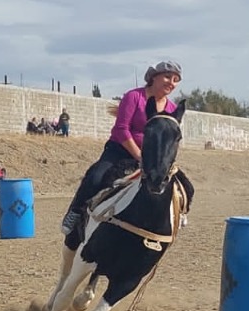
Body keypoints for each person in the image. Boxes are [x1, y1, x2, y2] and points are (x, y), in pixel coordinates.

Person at [60, 60, 183, 235]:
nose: (171, 83)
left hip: (152, 157)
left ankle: (178, 215)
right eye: (168, 77)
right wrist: (140, 156)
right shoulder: (134, 96)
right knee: (95, 177)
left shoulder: (171, 108)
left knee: (181, 185)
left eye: (176, 80)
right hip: (119, 151)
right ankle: (75, 211)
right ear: (154, 77)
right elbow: (121, 129)